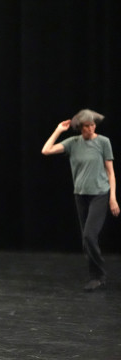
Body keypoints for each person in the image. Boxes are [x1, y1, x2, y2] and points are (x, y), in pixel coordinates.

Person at [41, 109, 119, 291]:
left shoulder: (103, 142)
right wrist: (59, 130)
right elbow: (46, 150)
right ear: (80, 128)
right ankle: (96, 276)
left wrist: (113, 198)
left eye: (93, 125)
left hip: (100, 194)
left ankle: (99, 275)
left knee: (89, 235)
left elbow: (111, 173)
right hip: (80, 195)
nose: (91, 128)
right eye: (87, 126)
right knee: (86, 240)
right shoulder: (73, 143)